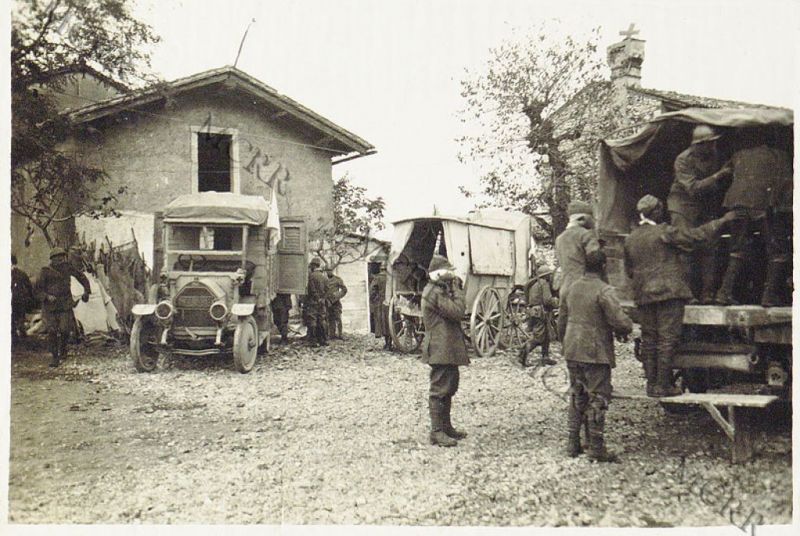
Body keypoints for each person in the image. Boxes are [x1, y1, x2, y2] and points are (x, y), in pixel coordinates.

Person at [624, 195, 737, 397]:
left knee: (649, 339)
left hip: (643, 295)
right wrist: (722, 221)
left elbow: (629, 271)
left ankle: (652, 385)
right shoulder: (664, 232)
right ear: (656, 212)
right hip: (669, 294)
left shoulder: (631, 238)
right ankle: (664, 385)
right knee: (667, 338)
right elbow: (696, 237)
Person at [558, 250, 633, 462]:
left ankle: (573, 443)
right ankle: (596, 448)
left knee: (577, 394)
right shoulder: (604, 290)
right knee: (598, 397)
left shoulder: (571, 288)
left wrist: (565, 343)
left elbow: (562, 319)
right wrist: (627, 327)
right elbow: (619, 321)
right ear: (603, 267)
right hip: (594, 350)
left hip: (572, 348)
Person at [715, 131, 793, 305]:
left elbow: (725, 176)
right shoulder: (780, 156)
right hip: (763, 205)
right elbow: (786, 186)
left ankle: (723, 293)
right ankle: (769, 296)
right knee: (778, 251)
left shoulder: (738, 155)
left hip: (737, 205)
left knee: (737, 249)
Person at [667, 124, 733, 303]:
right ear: (698, 145)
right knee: (685, 247)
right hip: (682, 206)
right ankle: (686, 294)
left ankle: (707, 294)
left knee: (710, 246)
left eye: (713, 142)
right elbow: (693, 189)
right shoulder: (683, 159)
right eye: (709, 143)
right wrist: (719, 175)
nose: (713, 146)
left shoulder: (716, 155)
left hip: (705, 206)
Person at [421, 254, 468, 447]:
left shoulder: (438, 290)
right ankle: (437, 431)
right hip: (440, 348)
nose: (452, 276)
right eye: (449, 273)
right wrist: (456, 290)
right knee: (439, 390)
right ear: (439, 274)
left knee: (449, 386)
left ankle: (446, 427)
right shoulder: (435, 292)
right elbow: (458, 311)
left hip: (446, 347)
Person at [35, 247, 91, 367]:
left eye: (62, 257)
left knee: (65, 329)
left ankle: (63, 348)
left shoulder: (67, 268)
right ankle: (55, 357)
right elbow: (37, 290)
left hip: (65, 305)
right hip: (50, 308)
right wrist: (47, 296)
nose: (61, 259)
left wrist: (87, 291)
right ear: (52, 259)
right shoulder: (45, 271)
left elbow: (81, 277)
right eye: (58, 257)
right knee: (52, 331)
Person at [554, 200, 601, 301]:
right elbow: (595, 258)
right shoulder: (586, 235)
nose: (593, 221)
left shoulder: (560, 238)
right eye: (591, 218)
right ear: (582, 219)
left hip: (565, 290)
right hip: (583, 290)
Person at [518, 264, 558, 367]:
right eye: (549, 275)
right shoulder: (544, 284)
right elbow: (547, 300)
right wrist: (556, 302)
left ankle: (545, 357)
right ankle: (523, 353)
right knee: (538, 337)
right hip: (541, 313)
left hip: (535, 312)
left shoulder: (534, 284)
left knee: (546, 335)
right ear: (546, 275)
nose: (550, 276)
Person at [305, 258, 328, 346]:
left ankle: (313, 341)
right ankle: (323, 340)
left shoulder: (311, 276)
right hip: (322, 302)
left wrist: (317, 298)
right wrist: (322, 298)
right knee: (321, 320)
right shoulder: (324, 277)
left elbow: (312, 289)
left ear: (314, 266)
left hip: (313, 301)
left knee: (312, 320)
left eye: (311, 265)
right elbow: (327, 289)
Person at [11, 254, 35, 343]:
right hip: (19, 299)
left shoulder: (19, 273)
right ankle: (19, 334)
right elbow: (29, 287)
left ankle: (17, 334)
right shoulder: (21, 273)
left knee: (15, 317)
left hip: (17, 299)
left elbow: (28, 287)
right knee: (18, 317)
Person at [369, 263, 392, 350]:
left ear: (380, 269)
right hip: (391, 302)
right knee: (390, 322)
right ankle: (390, 343)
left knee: (383, 323)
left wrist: (373, 299)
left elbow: (372, 290)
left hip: (381, 303)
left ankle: (387, 343)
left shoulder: (378, 278)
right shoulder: (392, 278)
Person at [324, 268, 348, 340]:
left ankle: (340, 334)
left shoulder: (337, 279)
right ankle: (330, 334)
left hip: (336, 302)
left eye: (330, 270)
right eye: (327, 271)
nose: (329, 272)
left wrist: (337, 295)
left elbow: (344, 290)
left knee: (338, 318)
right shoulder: (323, 279)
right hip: (327, 302)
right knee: (328, 318)